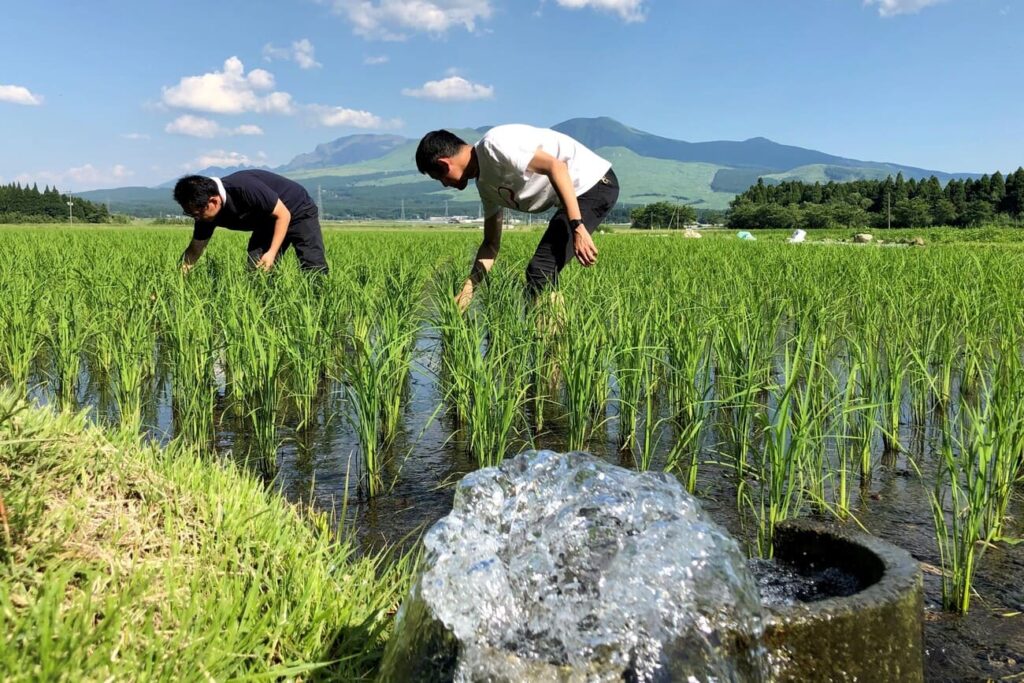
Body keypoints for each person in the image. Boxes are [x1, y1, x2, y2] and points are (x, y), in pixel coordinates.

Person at [415, 125, 619, 309]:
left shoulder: (495, 145)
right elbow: (490, 244)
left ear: (444, 165)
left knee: (540, 270)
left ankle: (554, 342)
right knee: (541, 272)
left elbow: (556, 167)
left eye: (438, 177)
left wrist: (577, 226)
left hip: (595, 184)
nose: (444, 184)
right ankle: (548, 337)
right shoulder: (485, 186)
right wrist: (468, 291)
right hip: (574, 198)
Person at [173, 170, 329, 273]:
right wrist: (177, 278)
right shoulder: (203, 214)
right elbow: (195, 249)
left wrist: (272, 253)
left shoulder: (244, 187)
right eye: (189, 214)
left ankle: (320, 304)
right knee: (256, 267)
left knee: (312, 264)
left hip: (297, 210)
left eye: (195, 213)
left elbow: (283, 215)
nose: (196, 218)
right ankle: (264, 309)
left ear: (213, 201)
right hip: (266, 220)